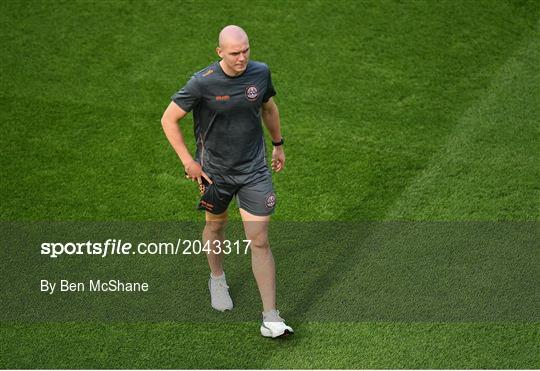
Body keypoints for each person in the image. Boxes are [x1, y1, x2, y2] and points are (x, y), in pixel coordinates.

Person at [161, 25, 293, 338]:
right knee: (216, 226)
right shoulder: (201, 82)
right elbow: (169, 119)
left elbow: (268, 107)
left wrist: (278, 143)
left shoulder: (260, 73)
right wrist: (188, 162)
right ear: (220, 52)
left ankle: (271, 317)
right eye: (234, 53)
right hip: (214, 173)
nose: (242, 58)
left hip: (254, 171)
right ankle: (217, 278)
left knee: (259, 239)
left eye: (246, 50)